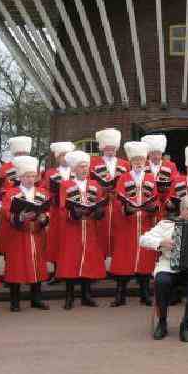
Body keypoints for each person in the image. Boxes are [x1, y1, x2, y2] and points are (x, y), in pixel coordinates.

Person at [140, 195, 188, 342]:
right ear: (183, 209)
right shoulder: (166, 224)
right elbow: (143, 239)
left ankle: (185, 325)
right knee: (161, 280)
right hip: (169, 266)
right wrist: (161, 242)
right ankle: (162, 322)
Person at [109, 141, 159, 307]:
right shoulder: (123, 178)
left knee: (145, 258)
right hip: (128, 224)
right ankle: (119, 295)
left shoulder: (151, 178)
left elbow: (156, 198)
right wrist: (126, 208)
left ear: (145, 161)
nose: (138, 163)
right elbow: (118, 200)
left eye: (141, 160)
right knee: (124, 259)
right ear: (131, 161)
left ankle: (145, 295)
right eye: (135, 160)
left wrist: (153, 208)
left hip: (145, 223)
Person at [57, 150, 107, 309]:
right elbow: (62, 207)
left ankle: (86, 295)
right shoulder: (65, 185)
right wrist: (74, 213)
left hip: (90, 227)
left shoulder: (95, 185)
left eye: (86, 166)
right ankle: (69, 296)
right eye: (80, 167)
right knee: (71, 261)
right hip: (73, 229)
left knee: (89, 261)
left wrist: (99, 211)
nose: (84, 169)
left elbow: (99, 203)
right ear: (73, 169)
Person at [2, 155, 51, 311]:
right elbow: (6, 212)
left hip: (36, 233)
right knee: (16, 266)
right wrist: (21, 216)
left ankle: (36, 298)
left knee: (37, 265)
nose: (30, 179)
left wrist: (44, 217)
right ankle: (14, 301)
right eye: (27, 176)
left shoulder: (42, 192)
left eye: (33, 176)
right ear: (20, 177)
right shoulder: (11, 193)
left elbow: (48, 211)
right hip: (18, 235)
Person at [89, 128, 129, 269]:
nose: (110, 150)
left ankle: (117, 265)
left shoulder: (125, 164)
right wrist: (101, 189)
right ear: (102, 148)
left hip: (118, 203)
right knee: (101, 233)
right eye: (107, 148)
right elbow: (91, 183)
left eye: (112, 148)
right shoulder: (93, 163)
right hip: (102, 202)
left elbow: (128, 183)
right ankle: (100, 265)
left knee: (119, 233)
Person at [0, 136, 33, 258]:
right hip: (10, 206)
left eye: (24, 153)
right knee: (10, 239)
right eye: (19, 153)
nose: (22, 155)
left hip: (30, 205)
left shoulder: (32, 166)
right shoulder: (5, 168)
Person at [42, 141, 76, 281]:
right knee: (57, 240)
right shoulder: (50, 173)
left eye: (67, 155)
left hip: (73, 212)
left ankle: (74, 270)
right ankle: (57, 272)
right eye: (61, 155)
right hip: (57, 212)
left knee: (73, 241)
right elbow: (44, 191)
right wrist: (53, 196)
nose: (64, 158)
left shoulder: (76, 171)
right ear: (57, 157)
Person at [142, 134, 179, 209]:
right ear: (148, 153)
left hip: (165, 204)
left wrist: (168, 200)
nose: (156, 156)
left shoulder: (171, 165)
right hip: (147, 204)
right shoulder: (142, 165)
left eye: (158, 153)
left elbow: (175, 184)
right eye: (153, 153)